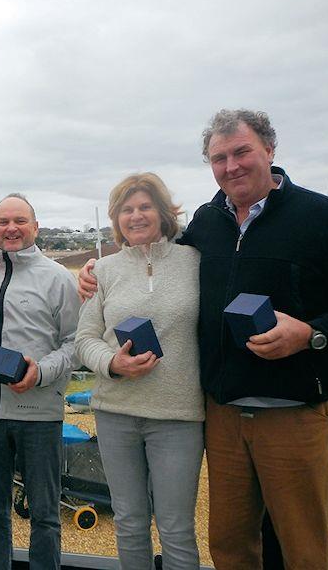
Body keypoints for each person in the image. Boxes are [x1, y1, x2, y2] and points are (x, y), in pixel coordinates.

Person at [79, 110, 328, 569]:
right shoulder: (209, 224)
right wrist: (92, 273)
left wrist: (313, 334)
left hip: (293, 412)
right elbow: (142, 269)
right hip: (222, 414)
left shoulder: (321, 218)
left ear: (269, 150)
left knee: (301, 545)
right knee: (230, 545)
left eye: (242, 152)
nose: (231, 166)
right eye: (219, 157)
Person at [74, 174, 204, 569]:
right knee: (129, 523)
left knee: (176, 528)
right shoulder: (104, 271)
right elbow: (85, 338)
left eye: (145, 206)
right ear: (117, 219)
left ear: (164, 213)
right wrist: (112, 363)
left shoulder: (196, 262)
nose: (136, 216)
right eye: (127, 210)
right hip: (116, 413)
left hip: (177, 417)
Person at [0, 193, 81, 570]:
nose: (11, 228)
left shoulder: (58, 278)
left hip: (40, 413)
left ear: (35, 226)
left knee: (46, 515)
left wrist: (41, 372)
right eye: (2, 222)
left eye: (19, 221)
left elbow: (74, 344)